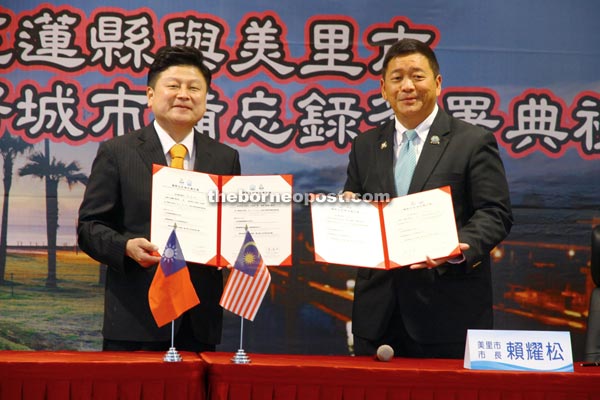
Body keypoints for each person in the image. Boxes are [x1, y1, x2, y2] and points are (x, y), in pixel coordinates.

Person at [343, 38, 512, 358]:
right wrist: (349, 210)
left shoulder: (472, 141)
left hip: (445, 311)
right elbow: (359, 198)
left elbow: (495, 211)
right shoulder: (364, 145)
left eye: (417, 76)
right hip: (376, 315)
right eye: (397, 78)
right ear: (382, 88)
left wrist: (459, 246)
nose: (407, 86)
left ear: (437, 83)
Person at [77, 46, 241, 352]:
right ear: (151, 95)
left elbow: (230, 228)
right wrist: (126, 247)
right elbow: (89, 228)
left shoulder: (225, 158)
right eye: (173, 86)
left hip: (199, 323)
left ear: (206, 99)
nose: (184, 95)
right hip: (136, 320)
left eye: (194, 88)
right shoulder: (118, 152)